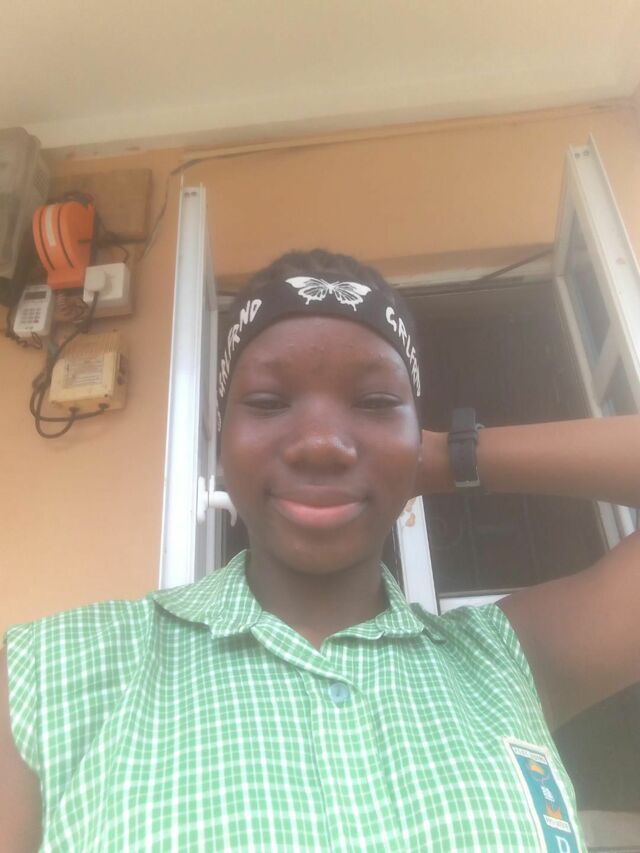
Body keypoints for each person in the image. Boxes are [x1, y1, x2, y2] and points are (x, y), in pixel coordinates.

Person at [1, 248, 639, 852]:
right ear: (223, 442)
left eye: (377, 403)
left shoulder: (506, 664)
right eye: (268, 402)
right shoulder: (49, 675)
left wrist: (451, 455)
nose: (321, 443)